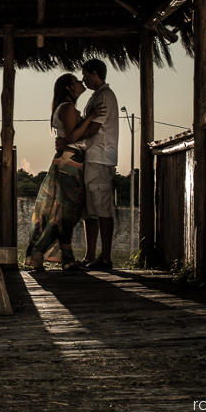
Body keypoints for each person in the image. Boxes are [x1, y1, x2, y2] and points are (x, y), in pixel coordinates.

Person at [23, 73, 103, 272]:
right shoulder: (67, 108)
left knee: (63, 212)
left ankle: (67, 259)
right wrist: (91, 118)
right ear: (68, 87)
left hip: (69, 159)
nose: (80, 82)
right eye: (76, 81)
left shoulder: (69, 108)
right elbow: (72, 136)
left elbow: (71, 136)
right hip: (70, 162)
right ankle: (38, 251)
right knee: (70, 212)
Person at [78, 58, 120, 271]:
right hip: (93, 157)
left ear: (95, 73)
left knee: (102, 208)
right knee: (91, 209)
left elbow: (94, 128)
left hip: (100, 157)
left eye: (85, 75)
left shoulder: (104, 96)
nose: (83, 80)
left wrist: (72, 138)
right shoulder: (97, 96)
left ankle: (105, 258)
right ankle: (90, 256)